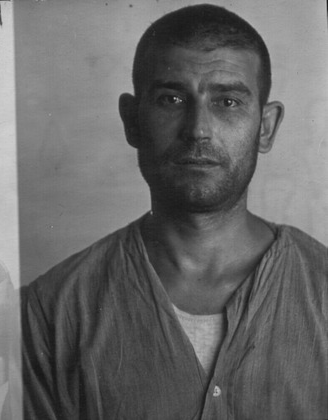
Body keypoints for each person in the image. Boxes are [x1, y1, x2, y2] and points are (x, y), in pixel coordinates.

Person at [21, 4, 328, 419]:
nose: (198, 129)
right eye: (172, 99)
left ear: (266, 127)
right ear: (132, 121)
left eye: (228, 102)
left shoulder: (321, 289)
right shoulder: (50, 312)